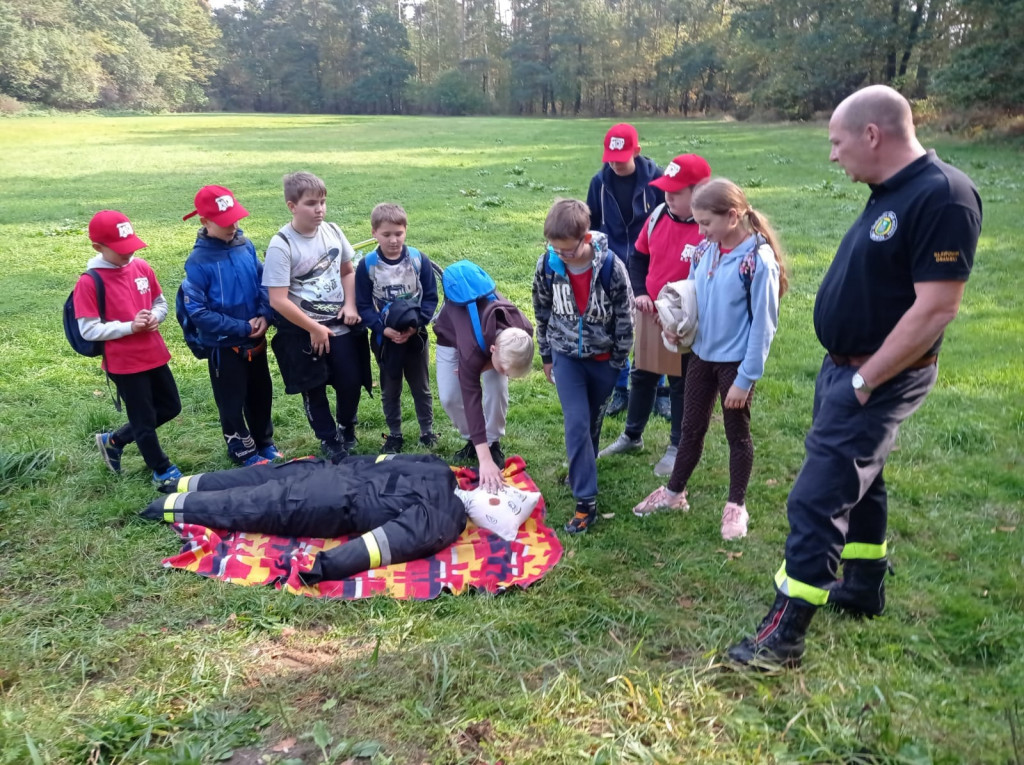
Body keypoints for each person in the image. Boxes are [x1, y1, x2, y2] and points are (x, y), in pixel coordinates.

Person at [726, 85, 982, 669]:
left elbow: (937, 308)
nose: (833, 154)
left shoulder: (944, 197)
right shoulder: (892, 191)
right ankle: (864, 585)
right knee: (862, 477)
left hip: (878, 375)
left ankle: (784, 635)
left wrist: (865, 382)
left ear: (872, 135)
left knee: (817, 496)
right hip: (847, 369)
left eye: (838, 141)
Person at [632, 178, 786, 542]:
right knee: (690, 428)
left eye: (705, 223)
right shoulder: (704, 251)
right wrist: (677, 329)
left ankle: (736, 506)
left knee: (737, 435)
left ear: (732, 217)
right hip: (701, 357)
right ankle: (674, 494)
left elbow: (764, 326)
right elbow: (691, 300)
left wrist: (745, 379)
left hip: (736, 365)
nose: (699, 231)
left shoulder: (757, 261)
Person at [142, 454, 467, 584]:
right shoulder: (446, 515)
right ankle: (163, 505)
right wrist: (324, 567)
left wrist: (340, 463)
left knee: (250, 479)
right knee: (243, 505)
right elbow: (388, 542)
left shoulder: (439, 468)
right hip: (329, 500)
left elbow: (378, 461)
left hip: (325, 470)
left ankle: (178, 485)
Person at [599, 154, 713, 477]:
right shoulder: (658, 216)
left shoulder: (708, 231)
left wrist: (684, 314)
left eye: (676, 192)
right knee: (643, 374)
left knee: (680, 383)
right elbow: (638, 258)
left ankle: (677, 446)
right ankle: (632, 435)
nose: (668, 196)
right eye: (666, 190)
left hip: (685, 322)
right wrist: (640, 293)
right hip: (652, 313)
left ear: (699, 192)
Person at [532, 198, 635, 534]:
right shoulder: (547, 266)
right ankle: (585, 502)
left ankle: (582, 468)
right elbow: (541, 311)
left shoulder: (611, 268)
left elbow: (626, 317)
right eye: (555, 248)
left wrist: (618, 361)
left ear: (586, 238)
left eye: (568, 249)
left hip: (604, 361)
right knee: (576, 422)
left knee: (591, 423)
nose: (561, 255)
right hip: (566, 358)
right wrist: (547, 355)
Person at [263, 171, 371, 461]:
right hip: (303, 331)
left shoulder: (332, 231)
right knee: (313, 388)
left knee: (351, 380)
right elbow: (277, 299)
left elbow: (347, 271)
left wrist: (350, 305)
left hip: (339, 326)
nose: (319, 209)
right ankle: (328, 438)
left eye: (322, 202)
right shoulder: (281, 245)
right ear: (292, 206)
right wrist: (313, 328)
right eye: (311, 203)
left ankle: (346, 425)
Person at [76, 210, 183, 489]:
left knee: (171, 406)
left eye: (131, 246)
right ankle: (162, 469)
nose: (128, 253)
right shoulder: (89, 282)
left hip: (154, 353)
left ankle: (114, 440)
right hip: (124, 363)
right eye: (120, 249)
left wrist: (155, 316)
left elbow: (160, 302)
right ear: (98, 247)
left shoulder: (142, 267)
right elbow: (88, 329)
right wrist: (129, 327)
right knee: (143, 419)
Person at [180, 185, 281, 466]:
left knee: (261, 393)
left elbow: (264, 281)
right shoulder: (198, 262)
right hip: (224, 346)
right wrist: (242, 328)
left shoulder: (245, 246)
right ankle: (241, 449)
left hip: (256, 341)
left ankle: (264, 442)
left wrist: (265, 315)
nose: (233, 226)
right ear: (205, 222)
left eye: (236, 218)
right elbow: (198, 311)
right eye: (225, 222)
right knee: (231, 400)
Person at [433, 261, 535, 493]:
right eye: (504, 369)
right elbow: (472, 400)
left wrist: (487, 367)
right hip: (451, 335)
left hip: (488, 345)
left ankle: (492, 441)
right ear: (493, 350)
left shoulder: (524, 331)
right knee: (449, 396)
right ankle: (474, 441)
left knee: (497, 388)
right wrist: (484, 461)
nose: (505, 374)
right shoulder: (472, 351)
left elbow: (500, 362)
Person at [586, 123, 665, 417]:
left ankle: (659, 391)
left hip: (649, 263)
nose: (615, 164)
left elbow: (667, 219)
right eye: (610, 158)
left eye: (621, 158)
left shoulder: (656, 180)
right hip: (613, 263)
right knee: (615, 326)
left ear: (637, 151)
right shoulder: (599, 183)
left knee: (654, 326)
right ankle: (620, 389)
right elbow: (592, 224)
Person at [354, 203, 439, 453]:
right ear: (374, 233)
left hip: (415, 336)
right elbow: (363, 305)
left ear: (406, 230)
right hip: (386, 339)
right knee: (390, 388)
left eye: (398, 233)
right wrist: (382, 330)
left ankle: (427, 431)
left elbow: (430, 297)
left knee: (421, 386)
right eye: (386, 234)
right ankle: (394, 434)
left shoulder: (418, 260)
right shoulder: (367, 265)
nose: (393, 240)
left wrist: (417, 325)